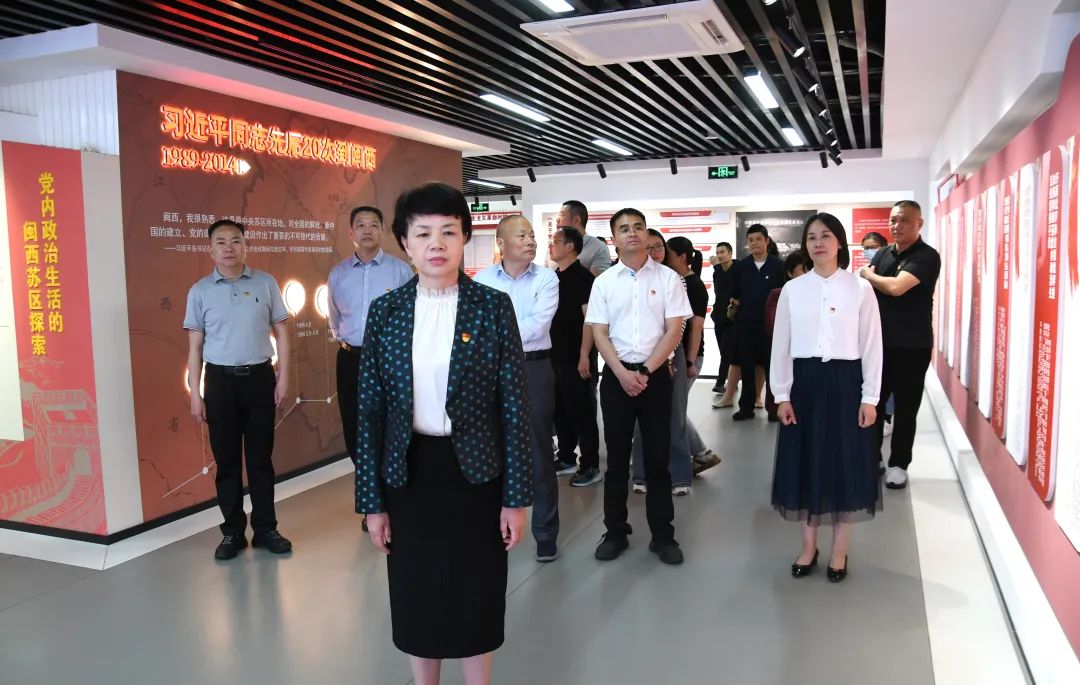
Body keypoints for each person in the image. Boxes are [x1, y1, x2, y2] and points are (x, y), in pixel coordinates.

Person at [356, 183, 533, 685]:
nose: (436, 244)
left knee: (476, 591)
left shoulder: (492, 307)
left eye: (449, 232)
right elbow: (369, 413)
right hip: (408, 474)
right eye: (423, 233)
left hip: (476, 473)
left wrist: (515, 498)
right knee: (415, 591)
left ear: (465, 238)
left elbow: (515, 408)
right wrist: (372, 503)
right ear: (405, 243)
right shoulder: (386, 312)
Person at [771, 212, 883, 583]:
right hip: (804, 385)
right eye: (811, 237)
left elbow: (872, 345)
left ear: (839, 241)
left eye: (826, 236)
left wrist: (870, 397)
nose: (818, 243)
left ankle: (839, 550)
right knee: (804, 463)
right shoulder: (792, 290)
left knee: (843, 465)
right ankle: (808, 548)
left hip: (846, 384)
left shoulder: (860, 288)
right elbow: (781, 346)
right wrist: (781, 394)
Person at [586, 209, 691, 565]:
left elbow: (674, 330)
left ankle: (663, 536)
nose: (631, 233)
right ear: (614, 239)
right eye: (623, 229)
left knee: (658, 461)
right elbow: (599, 332)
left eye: (638, 227)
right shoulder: (604, 282)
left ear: (647, 234)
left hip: (655, 378)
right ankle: (615, 532)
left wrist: (645, 371)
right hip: (616, 378)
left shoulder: (668, 279)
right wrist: (620, 372)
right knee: (616, 462)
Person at [184, 219, 293, 560]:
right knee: (227, 462)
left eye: (236, 241)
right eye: (221, 242)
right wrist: (195, 393)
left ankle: (265, 529)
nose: (229, 248)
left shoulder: (266, 282)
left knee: (261, 460)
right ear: (211, 250)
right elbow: (194, 346)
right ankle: (232, 532)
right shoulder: (200, 291)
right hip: (219, 383)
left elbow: (282, 333)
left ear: (245, 246)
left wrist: (283, 377)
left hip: (260, 378)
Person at [475, 215, 561, 562]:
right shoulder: (481, 281)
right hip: (490, 371)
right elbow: (475, 330)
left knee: (538, 450)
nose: (530, 241)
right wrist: (497, 336)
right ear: (501, 243)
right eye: (522, 236)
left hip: (533, 368)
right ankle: (492, 530)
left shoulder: (546, 278)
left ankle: (546, 534)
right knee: (490, 448)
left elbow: (537, 327)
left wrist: (496, 334)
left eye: (532, 235)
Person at [328, 205, 413, 531]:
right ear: (351, 232)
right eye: (360, 225)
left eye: (373, 225)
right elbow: (335, 320)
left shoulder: (400, 272)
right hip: (351, 359)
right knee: (356, 429)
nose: (367, 230)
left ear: (382, 231)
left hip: (390, 360)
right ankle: (372, 501)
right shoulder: (338, 274)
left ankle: (396, 498)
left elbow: (412, 318)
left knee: (392, 427)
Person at [859, 201, 941, 489]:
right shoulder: (883, 253)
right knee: (873, 403)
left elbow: (895, 288)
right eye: (893, 220)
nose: (897, 225)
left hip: (912, 346)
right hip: (879, 345)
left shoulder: (927, 256)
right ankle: (872, 459)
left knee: (906, 409)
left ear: (919, 223)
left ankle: (899, 465)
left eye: (904, 220)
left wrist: (868, 274)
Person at [629, 231, 701, 495]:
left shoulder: (674, 279)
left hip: (672, 355)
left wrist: (670, 356)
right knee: (641, 419)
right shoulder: (630, 278)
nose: (654, 252)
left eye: (658, 247)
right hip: (640, 356)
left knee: (675, 416)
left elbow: (679, 325)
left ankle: (680, 476)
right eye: (648, 247)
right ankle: (641, 474)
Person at [548, 226, 602, 488]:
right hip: (554, 356)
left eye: (556, 241)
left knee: (582, 412)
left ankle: (590, 464)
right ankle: (567, 457)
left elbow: (590, 321)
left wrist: (584, 356)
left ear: (570, 246)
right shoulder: (553, 277)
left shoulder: (583, 279)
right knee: (560, 410)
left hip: (576, 358)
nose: (551, 245)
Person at [666, 237, 721, 476]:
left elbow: (696, 328)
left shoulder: (694, 285)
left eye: (667, 252)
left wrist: (689, 361)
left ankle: (701, 453)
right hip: (679, 355)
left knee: (673, 409)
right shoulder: (674, 281)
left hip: (689, 356)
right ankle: (699, 453)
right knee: (673, 408)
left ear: (682, 257)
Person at [729, 224, 785, 420]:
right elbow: (735, 294)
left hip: (771, 328)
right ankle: (746, 408)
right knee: (747, 368)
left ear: (767, 241)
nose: (754, 243)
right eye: (750, 240)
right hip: (746, 326)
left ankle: (774, 409)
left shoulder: (778, 266)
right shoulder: (741, 267)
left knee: (772, 369)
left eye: (758, 239)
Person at [763, 252, 812, 421]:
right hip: (787, 352)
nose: (808, 274)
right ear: (790, 272)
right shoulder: (779, 293)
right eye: (803, 270)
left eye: (809, 269)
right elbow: (771, 324)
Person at [709, 241, 736, 397]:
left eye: (722, 252)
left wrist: (717, 267)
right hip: (719, 317)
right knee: (725, 352)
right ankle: (732, 380)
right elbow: (719, 292)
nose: (719, 255)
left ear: (730, 253)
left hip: (732, 318)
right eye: (718, 252)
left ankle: (720, 383)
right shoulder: (717, 272)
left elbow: (729, 288)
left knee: (726, 352)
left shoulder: (736, 269)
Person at [559, 200, 612, 276]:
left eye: (562, 215)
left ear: (576, 219)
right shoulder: (553, 246)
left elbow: (599, 280)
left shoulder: (599, 248)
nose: (558, 219)